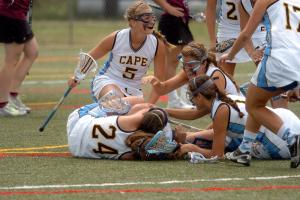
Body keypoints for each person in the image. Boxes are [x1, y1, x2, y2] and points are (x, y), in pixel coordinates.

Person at [219, 0, 300, 168]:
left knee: (253, 105)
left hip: (278, 56)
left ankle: (292, 139)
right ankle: (244, 149)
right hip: (295, 57)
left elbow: (245, 34)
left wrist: (230, 55)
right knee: (257, 101)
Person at [174, 75, 300, 165]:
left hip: (280, 142)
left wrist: (192, 148)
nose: (192, 101)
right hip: (289, 121)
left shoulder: (220, 111)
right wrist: (186, 136)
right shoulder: (224, 100)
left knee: (234, 145)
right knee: (234, 139)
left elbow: (217, 155)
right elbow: (208, 127)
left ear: (200, 96)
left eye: (192, 97)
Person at [68, 0, 166, 104]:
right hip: (109, 82)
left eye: (152, 17)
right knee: (115, 102)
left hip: (135, 90)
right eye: (146, 18)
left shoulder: (157, 45)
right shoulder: (117, 37)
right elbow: (90, 57)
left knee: (128, 111)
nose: (151, 21)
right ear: (132, 22)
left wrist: (149, 106)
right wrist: (76, 76)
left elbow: (159, 82)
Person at [144, 41, 242, 120]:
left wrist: (163, 110)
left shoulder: (214, 77)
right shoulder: (189, 70)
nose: (187, 69)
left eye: (191, 64)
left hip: (236, 120)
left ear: (204, 63)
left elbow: (197, 113)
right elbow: (163, 89)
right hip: (225, 118)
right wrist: (156, 83)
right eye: (184, 64)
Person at [67, 102, 170, 160]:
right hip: (77, 151)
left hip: (79, 121)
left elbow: (148, 107)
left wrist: (165, 120)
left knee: (136, 100)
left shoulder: (132, 122)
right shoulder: (130, 155)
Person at [206, 0, 266, 76]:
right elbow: (210, 7)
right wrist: (212, 40)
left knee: (266, 72)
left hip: (256, 28)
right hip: (228, 29)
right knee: (226, 77)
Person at [153, 0, 194, 108]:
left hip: (181, 22)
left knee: (192, 58)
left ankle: (187, 96)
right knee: (173, 61)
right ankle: (173, 100)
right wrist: (168, 7)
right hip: (171, 22)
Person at [0, 0, 39, 116]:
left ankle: (12, 94)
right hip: (11, 14)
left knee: (32, 51)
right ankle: (2, 104)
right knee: (11, 60)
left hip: (19, 13)